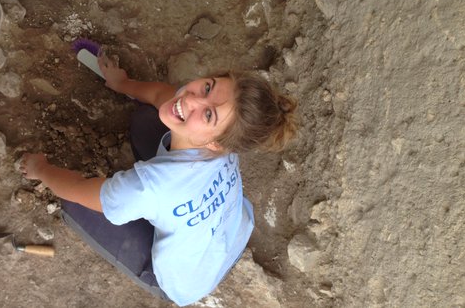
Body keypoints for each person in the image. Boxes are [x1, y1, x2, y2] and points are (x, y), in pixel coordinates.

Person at [19, 53, 297, 306]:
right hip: (230, 234)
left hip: (186, 280)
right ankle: (162, 215)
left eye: (209, 114)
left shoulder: (151, 187)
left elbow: (80, 188)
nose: (191, 100)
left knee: (75, 204)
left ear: (216, 145)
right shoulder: (227, 140)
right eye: (208, 87)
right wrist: (122, 83)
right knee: (146, 119)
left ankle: (152, 269)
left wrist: (40, 168)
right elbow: (162, 95)